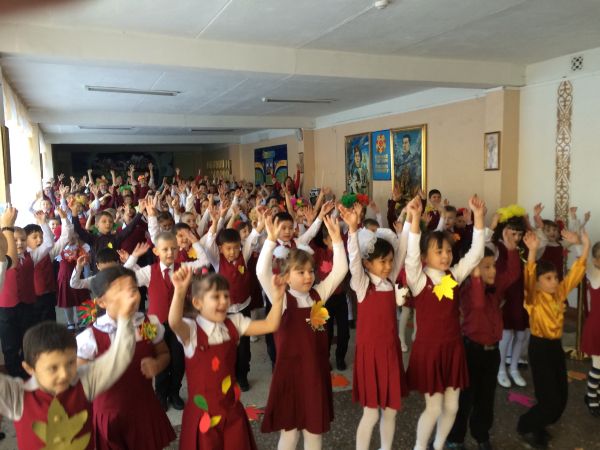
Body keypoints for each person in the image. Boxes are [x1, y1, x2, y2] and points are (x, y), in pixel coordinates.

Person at [0, 279, 138, 450]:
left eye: (71, 363)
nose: (65, 374)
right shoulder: (18, 397)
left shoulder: (84, 383)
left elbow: (119, 357)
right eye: (53, 368)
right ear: (30, 368)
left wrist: (124, 318)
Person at [168, 266, 285, 450]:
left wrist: (278, 299)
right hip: (203, 416)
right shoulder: (192, 331)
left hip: (231, 411)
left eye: (226, 296)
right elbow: (174, 322)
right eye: (216, 297)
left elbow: (270, 325)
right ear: (197, 303)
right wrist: (179, 292)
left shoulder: (234, 323)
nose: (223, 301)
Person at [256, 214, 348, 450]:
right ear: (286, 277)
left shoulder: (318, 295)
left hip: (315, 374)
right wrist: (270, 240)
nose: (308, 276)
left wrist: (338, 241)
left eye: (310, 271)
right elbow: (261, 272)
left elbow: (340, 270)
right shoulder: (281, 300)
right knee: (290, 435)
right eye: (300, 272)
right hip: (290, 376)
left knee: (314, 433)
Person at [405, 194, 486, 450]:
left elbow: (475, 255)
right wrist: (415, 219)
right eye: (438, 251)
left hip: (453, 349)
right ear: (425, 256)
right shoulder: (419, 280)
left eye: (448, 251)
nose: (445, 256)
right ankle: (420, 447)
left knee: (452, 406)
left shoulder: (452, 277)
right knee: (433, 407)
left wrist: (479, 218)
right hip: (430, 351)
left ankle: (438, 445)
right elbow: (410, 257)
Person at [76, 266, 175, 449]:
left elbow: (164, 353)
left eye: (133, 289)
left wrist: (157, 364)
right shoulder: (90, 338)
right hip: (110, 414)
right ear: (102, 302)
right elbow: (82, 385)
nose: (130, 294)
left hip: (144, 408)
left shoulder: (145, 325)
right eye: (120, 290)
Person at [339, 199, 408, 450]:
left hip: (390, 353)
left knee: (391, 411)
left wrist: (409, 221)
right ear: (368, 264)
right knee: (371, 414)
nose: (388, 266)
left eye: (390, 261)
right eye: (382, 262)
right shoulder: (362, 285)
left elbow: (402, 251)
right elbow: (353, 259)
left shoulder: (389, 281)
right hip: (370, 355)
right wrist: (353, 230)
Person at [445, 233, 521, 450]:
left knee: (486, 398)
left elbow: (512, 273)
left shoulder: (495, 285)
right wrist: (476, 277)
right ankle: (456, 438)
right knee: (465, 398)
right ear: (473, 270)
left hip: (492, 352)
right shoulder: (467, 289)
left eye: (493, 266)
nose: (493, 271)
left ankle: (481, 435)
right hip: (471, 351)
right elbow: (478, 304)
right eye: (486, 267)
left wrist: (511, 250)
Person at [517, 229, 589, 448]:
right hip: (539, 349)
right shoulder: (533, 298)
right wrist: (532, 252)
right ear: (538, 283)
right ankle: (525, 426)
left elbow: (575, 274)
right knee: (548, 399)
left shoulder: (558, 293)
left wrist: (584, 245)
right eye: (548, 278)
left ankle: (539, 425)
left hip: (555, 348)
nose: (554, 281)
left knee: (561, 397)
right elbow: (529, 278)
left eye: (555, 277)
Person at [123, 230, 210, 411]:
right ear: (156, 251)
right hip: (153, 323)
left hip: (180, 322)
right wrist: (133, 257)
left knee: (178, 361)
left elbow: (204, 262)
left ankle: (174, 392)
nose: (170, 253)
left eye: (174, 249)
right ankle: (160, 395)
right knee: (159, 359)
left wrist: (195, 241)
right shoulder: (148, 271)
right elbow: (123, 277)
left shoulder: (183, 267)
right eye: (165, 249)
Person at [204, 211, 263, 391]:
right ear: (221, 248)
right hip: (225, 312)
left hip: (243, 308)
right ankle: (227, 376)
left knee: (244, 347)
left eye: (236, 247)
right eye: (228, 248)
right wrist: (215, 222)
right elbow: (208, 244)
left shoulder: (243, 255)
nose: (233, 252)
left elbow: (253, 237)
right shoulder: (217, 260)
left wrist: (262, 222)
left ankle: (242, 375)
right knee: (226, 346)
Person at [583, 240, 600, 417]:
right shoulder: (595, 276)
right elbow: (583, 259)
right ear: (596, 261)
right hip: (597, 328)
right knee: (598, 366)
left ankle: (597, 393)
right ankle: (591, 396)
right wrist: (581, 243)